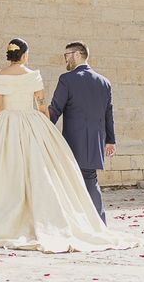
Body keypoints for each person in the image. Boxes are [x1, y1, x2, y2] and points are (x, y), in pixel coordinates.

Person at [0, 38, 141, 253]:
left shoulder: (3, 76)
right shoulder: (39, 76)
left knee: (8, 173)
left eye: (68, 55)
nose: (65, 59)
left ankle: (9, 220)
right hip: (49, 129)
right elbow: (43, 107)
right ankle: (94, 223)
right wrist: (44, 128)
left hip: (13, 127)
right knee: (66, 178)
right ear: (24, 55)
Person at [49, 41, 113, 224]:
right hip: (95, 142)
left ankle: (76, 223)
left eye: (66, 55)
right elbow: (109, 114)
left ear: (77, 54)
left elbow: (55, 110)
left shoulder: (67, 79)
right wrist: (110, 140)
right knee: (90, 179)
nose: (65, 59)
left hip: (73, 142)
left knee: (70, 180)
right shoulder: (104, 82)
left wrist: (41, 127)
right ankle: (99, 223)